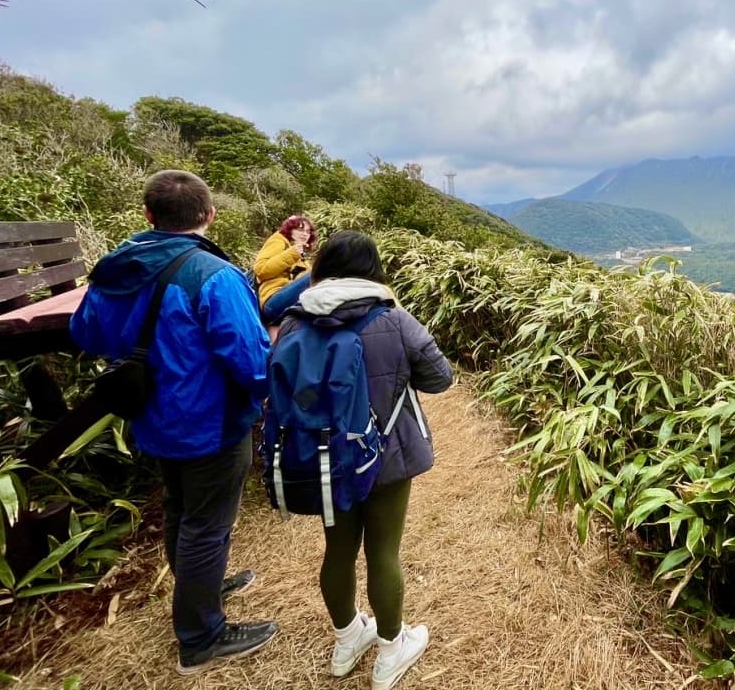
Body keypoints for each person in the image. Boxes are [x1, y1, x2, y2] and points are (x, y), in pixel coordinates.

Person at [70, 170, 277, 675]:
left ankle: (198, 585)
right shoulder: (212, 275)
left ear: (148, 215)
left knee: (182, 508)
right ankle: (201, 636)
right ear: (208, 214)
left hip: (151, 415)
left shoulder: (117, 269)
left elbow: (86, 333)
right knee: (206, 523)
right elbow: (251, 364)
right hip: (211, 420)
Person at [272, 230, 452, 689]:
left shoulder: (296, 320)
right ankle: (392, 649)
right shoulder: (392, 317)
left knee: (338, 548)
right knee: (383, 551)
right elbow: (440, 378)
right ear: (374, 269)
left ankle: (347, 636)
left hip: (325, 457)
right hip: (386, 455)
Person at [254, 214, 317, 324]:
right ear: (290, 230)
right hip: (273, 300)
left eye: (308, 232)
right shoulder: (278, 241)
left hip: (290, 303)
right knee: (319, 273)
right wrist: (292, 254)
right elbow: (260, 270)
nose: (305, 234)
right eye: (300, 229)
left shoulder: (302, 259)